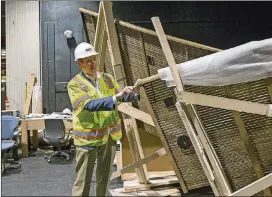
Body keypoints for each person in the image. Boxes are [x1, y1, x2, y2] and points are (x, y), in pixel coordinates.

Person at [67, 42, 140, 196]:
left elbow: (118, 98)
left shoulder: (107, 78)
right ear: (78, 63)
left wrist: (134, 94)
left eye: (93, 58)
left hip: (109, 138)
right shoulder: (74, 84)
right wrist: (115, 97)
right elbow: (89, 105)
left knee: (104, 179)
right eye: (87, 60)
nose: (91, 63)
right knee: (82, 183)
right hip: (88, 140)